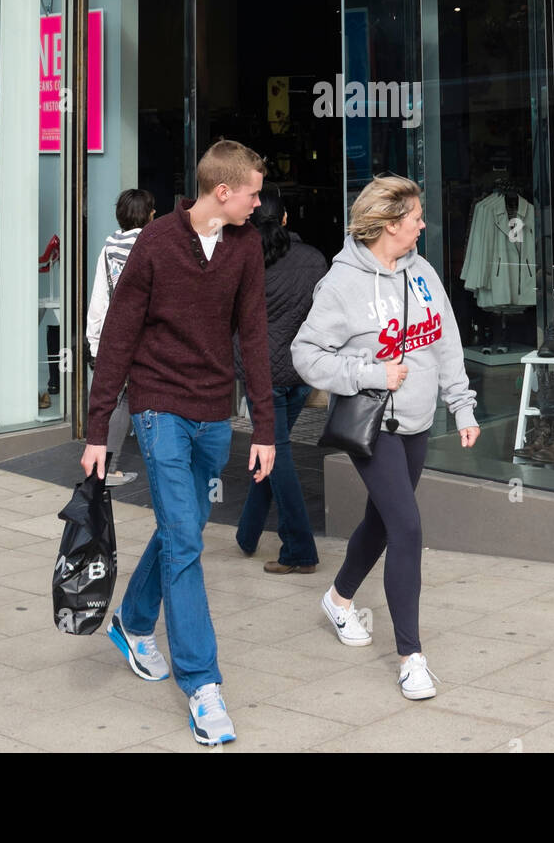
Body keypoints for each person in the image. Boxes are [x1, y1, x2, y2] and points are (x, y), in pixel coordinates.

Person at [83, 140, 276, 747]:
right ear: (223, 192)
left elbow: (254, 334)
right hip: (158, 404)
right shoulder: (157, 243)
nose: (259, 203)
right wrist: (97, 432)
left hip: (213, 411)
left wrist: (266, 427)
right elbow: (118, 335)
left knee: (180, 530)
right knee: (188, 545)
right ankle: (203, 685)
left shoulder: (245, 245)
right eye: (253, 193)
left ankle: (134, 622)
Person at [292, 175, 479, 703]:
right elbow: (305, 354)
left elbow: (445, 344)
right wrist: (369, 373)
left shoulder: (422, 273)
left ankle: (338, 598)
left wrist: (461, 406)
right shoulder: (342, 283)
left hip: (418, 422)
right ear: (390, 223)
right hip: (375, 427)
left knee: (380, 521)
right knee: (407, 527)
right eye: (416, 216)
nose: (423, 224)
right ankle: (411, 658)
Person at [234, 185, 328, 572]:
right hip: (300, 371)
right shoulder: (315, 259)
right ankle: (247, 533)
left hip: (262, 375)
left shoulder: (242, 258)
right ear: (287, 218)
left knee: (277, 453)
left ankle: (299, 551)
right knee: (273, 450)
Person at [85, 187, 156, 487]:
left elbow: (100, 298)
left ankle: (105, 467)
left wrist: (94, 341)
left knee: (119, 400)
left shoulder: (108, 249)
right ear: (148, 214)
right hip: (147, 338)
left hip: (115, 337)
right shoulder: (154, 247)